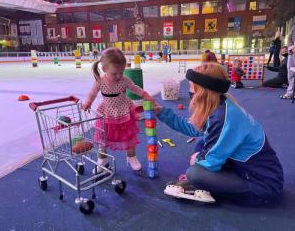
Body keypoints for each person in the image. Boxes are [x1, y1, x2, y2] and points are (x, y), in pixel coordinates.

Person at [156, 62, 284, 206]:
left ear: (202, 92)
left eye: (192, 87)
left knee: (195, 174)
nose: (189, 91)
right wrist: (162, 112)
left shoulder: (222, 118)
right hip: (245, 170)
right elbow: (193, 128)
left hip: (262, 186)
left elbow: (210, 163)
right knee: (202, 143)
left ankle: (206, 186)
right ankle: (211, 183)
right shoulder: (220, 104)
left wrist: (197, 159)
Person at [82, 48, 155, 171]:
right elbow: (92, 93)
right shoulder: (100, 81)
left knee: (129, 136)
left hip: (124, 112)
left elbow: (135, 88)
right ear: (104, 69)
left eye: (121, 72)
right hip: (106, 112)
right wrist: (88, 102)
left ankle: (131, 157)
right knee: (102, 138)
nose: (119, 76)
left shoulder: (124, 80)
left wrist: (145, 95)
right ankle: (102, 159)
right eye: (114, 73)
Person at [280, 25, 295, 99]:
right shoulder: (294, 27)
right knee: (291, 75)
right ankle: (290, 94)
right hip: (292, 54)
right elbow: (289, 38)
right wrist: (291, 48)